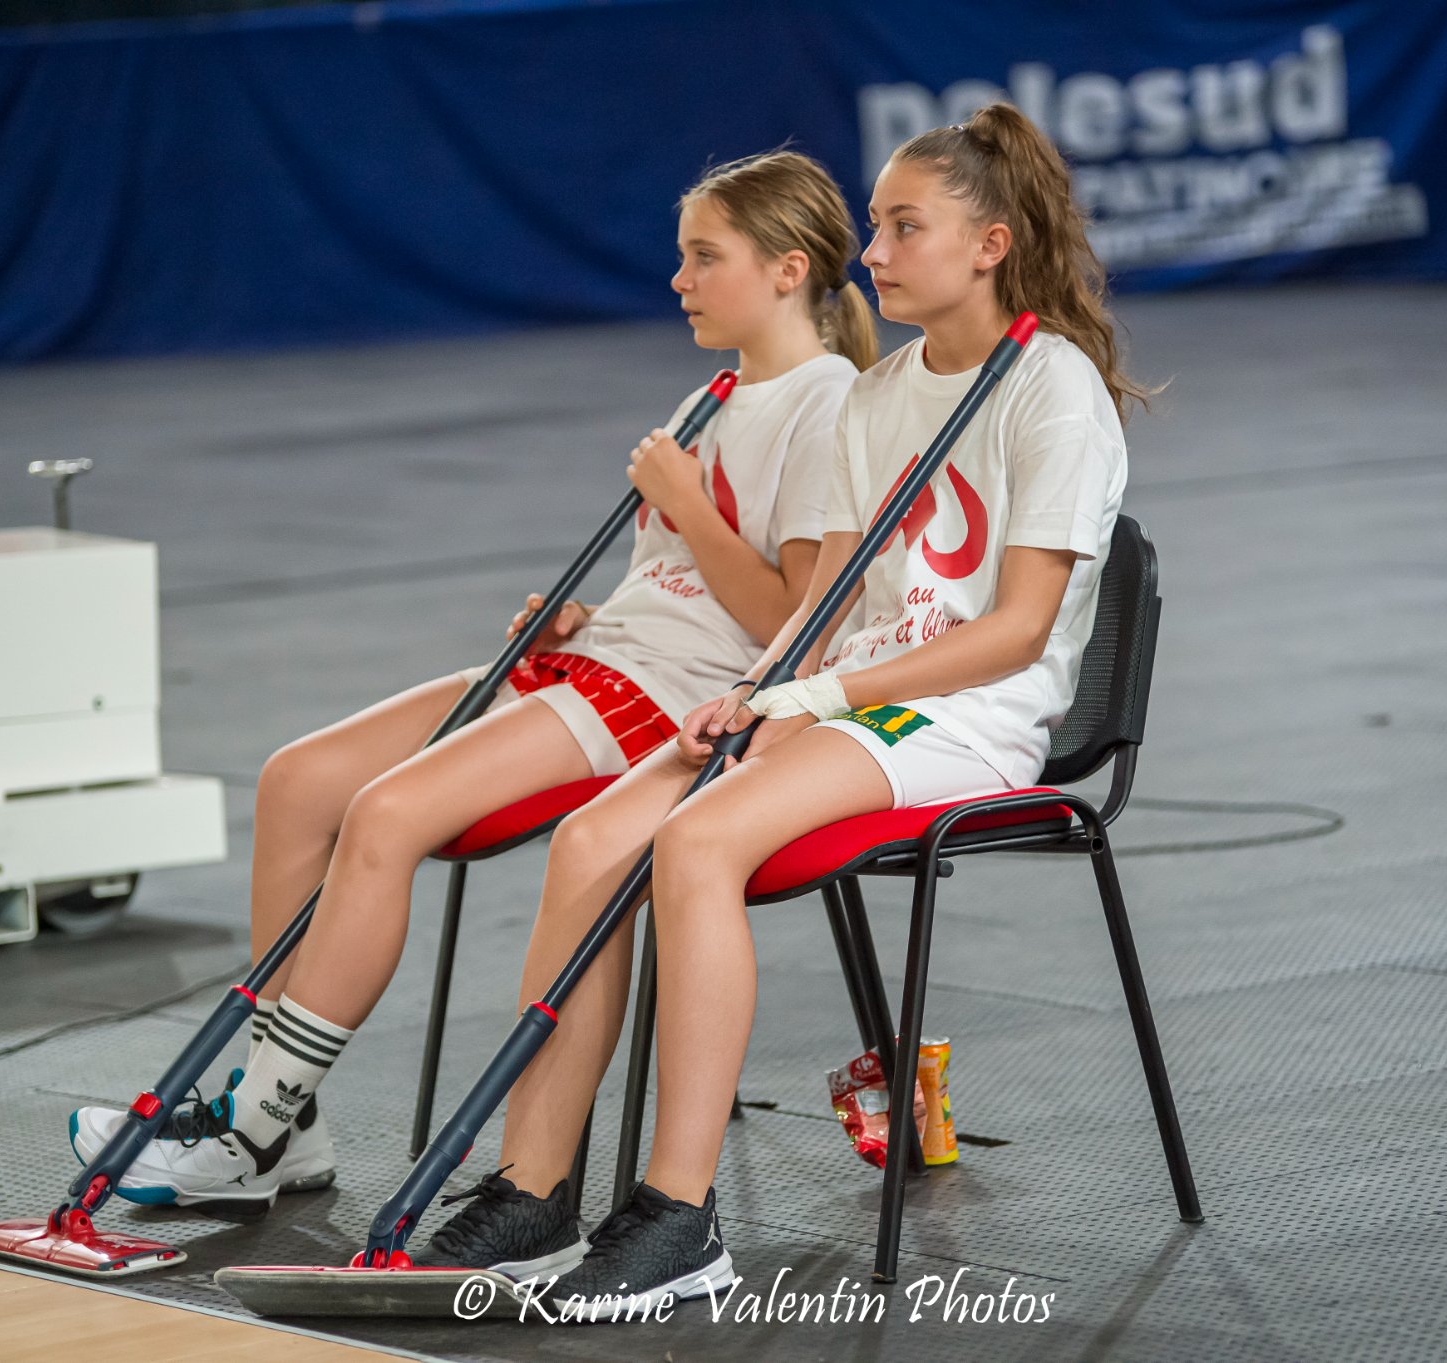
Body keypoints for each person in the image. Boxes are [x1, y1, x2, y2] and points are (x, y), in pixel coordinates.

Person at [67, 151, 876, 1287]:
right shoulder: (715, 394)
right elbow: (676, 585)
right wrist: (583, 612)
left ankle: (252, 1120)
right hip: (604, 657)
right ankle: (282, 1130)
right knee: (297, 779)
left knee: (384, 813)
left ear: (788, 270)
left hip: (661, 700)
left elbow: (790, 619)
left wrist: (687, 507)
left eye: (705, 256)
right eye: (683, 254)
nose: (678, 278)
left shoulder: (827, 401)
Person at [450, 101, 1155, 1318]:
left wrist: (819, 693)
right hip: (842, 701)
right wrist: (754, 693)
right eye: (873, 227)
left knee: (696, 838)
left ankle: (677, 1214)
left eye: (900, 226)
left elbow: (1016, 631)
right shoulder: (874, 400)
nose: (869, 254)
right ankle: (531, 1191)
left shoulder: (1054, 391)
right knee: (589, 840)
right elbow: (822, 601)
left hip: (966, 718)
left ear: (988, 244)